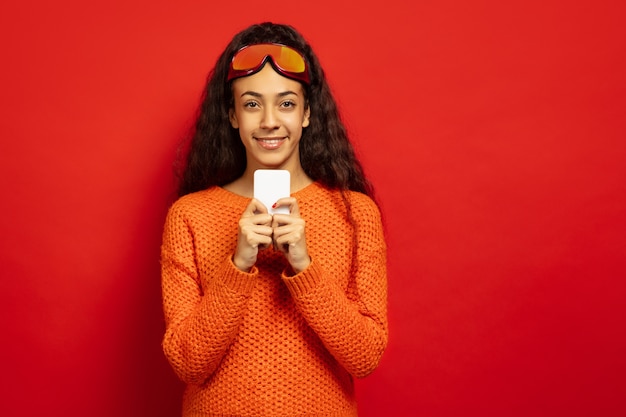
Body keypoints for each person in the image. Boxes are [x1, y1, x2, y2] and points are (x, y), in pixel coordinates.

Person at [160, 21, 388, 417]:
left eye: (285, 103)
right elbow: (187, 363)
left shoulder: (355, 214)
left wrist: (303, 265)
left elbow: (365, 356)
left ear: (306, 114)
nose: (269, 120)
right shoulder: (189, 216)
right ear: (232, 115)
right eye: (251, 103)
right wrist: (238, 264)